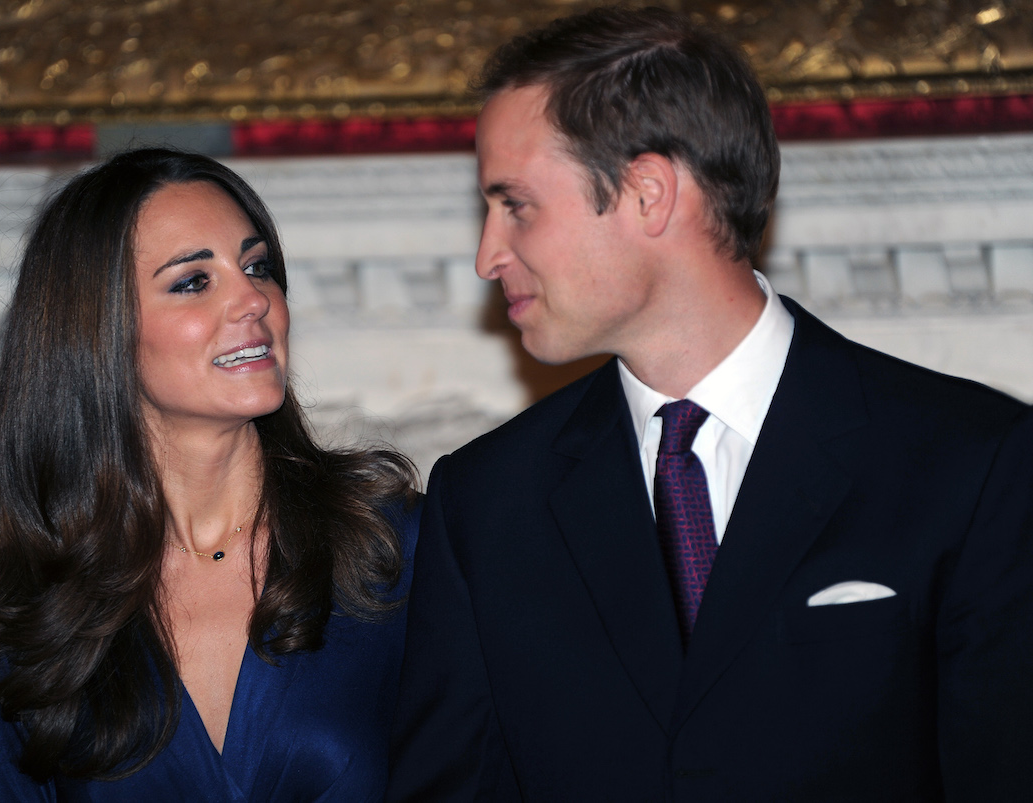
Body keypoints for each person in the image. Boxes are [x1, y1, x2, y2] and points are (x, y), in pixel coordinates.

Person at [388, 6, 1033, 801]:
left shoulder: (973, 462)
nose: (489, 255)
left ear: (649, 194)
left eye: (516, 203)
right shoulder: (485, 502)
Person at [0, 147, 419, 801]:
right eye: (192, 281)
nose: (253, 298)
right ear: (99, 334)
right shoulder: (21, 606)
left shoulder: (398, 546)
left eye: (258, 266)